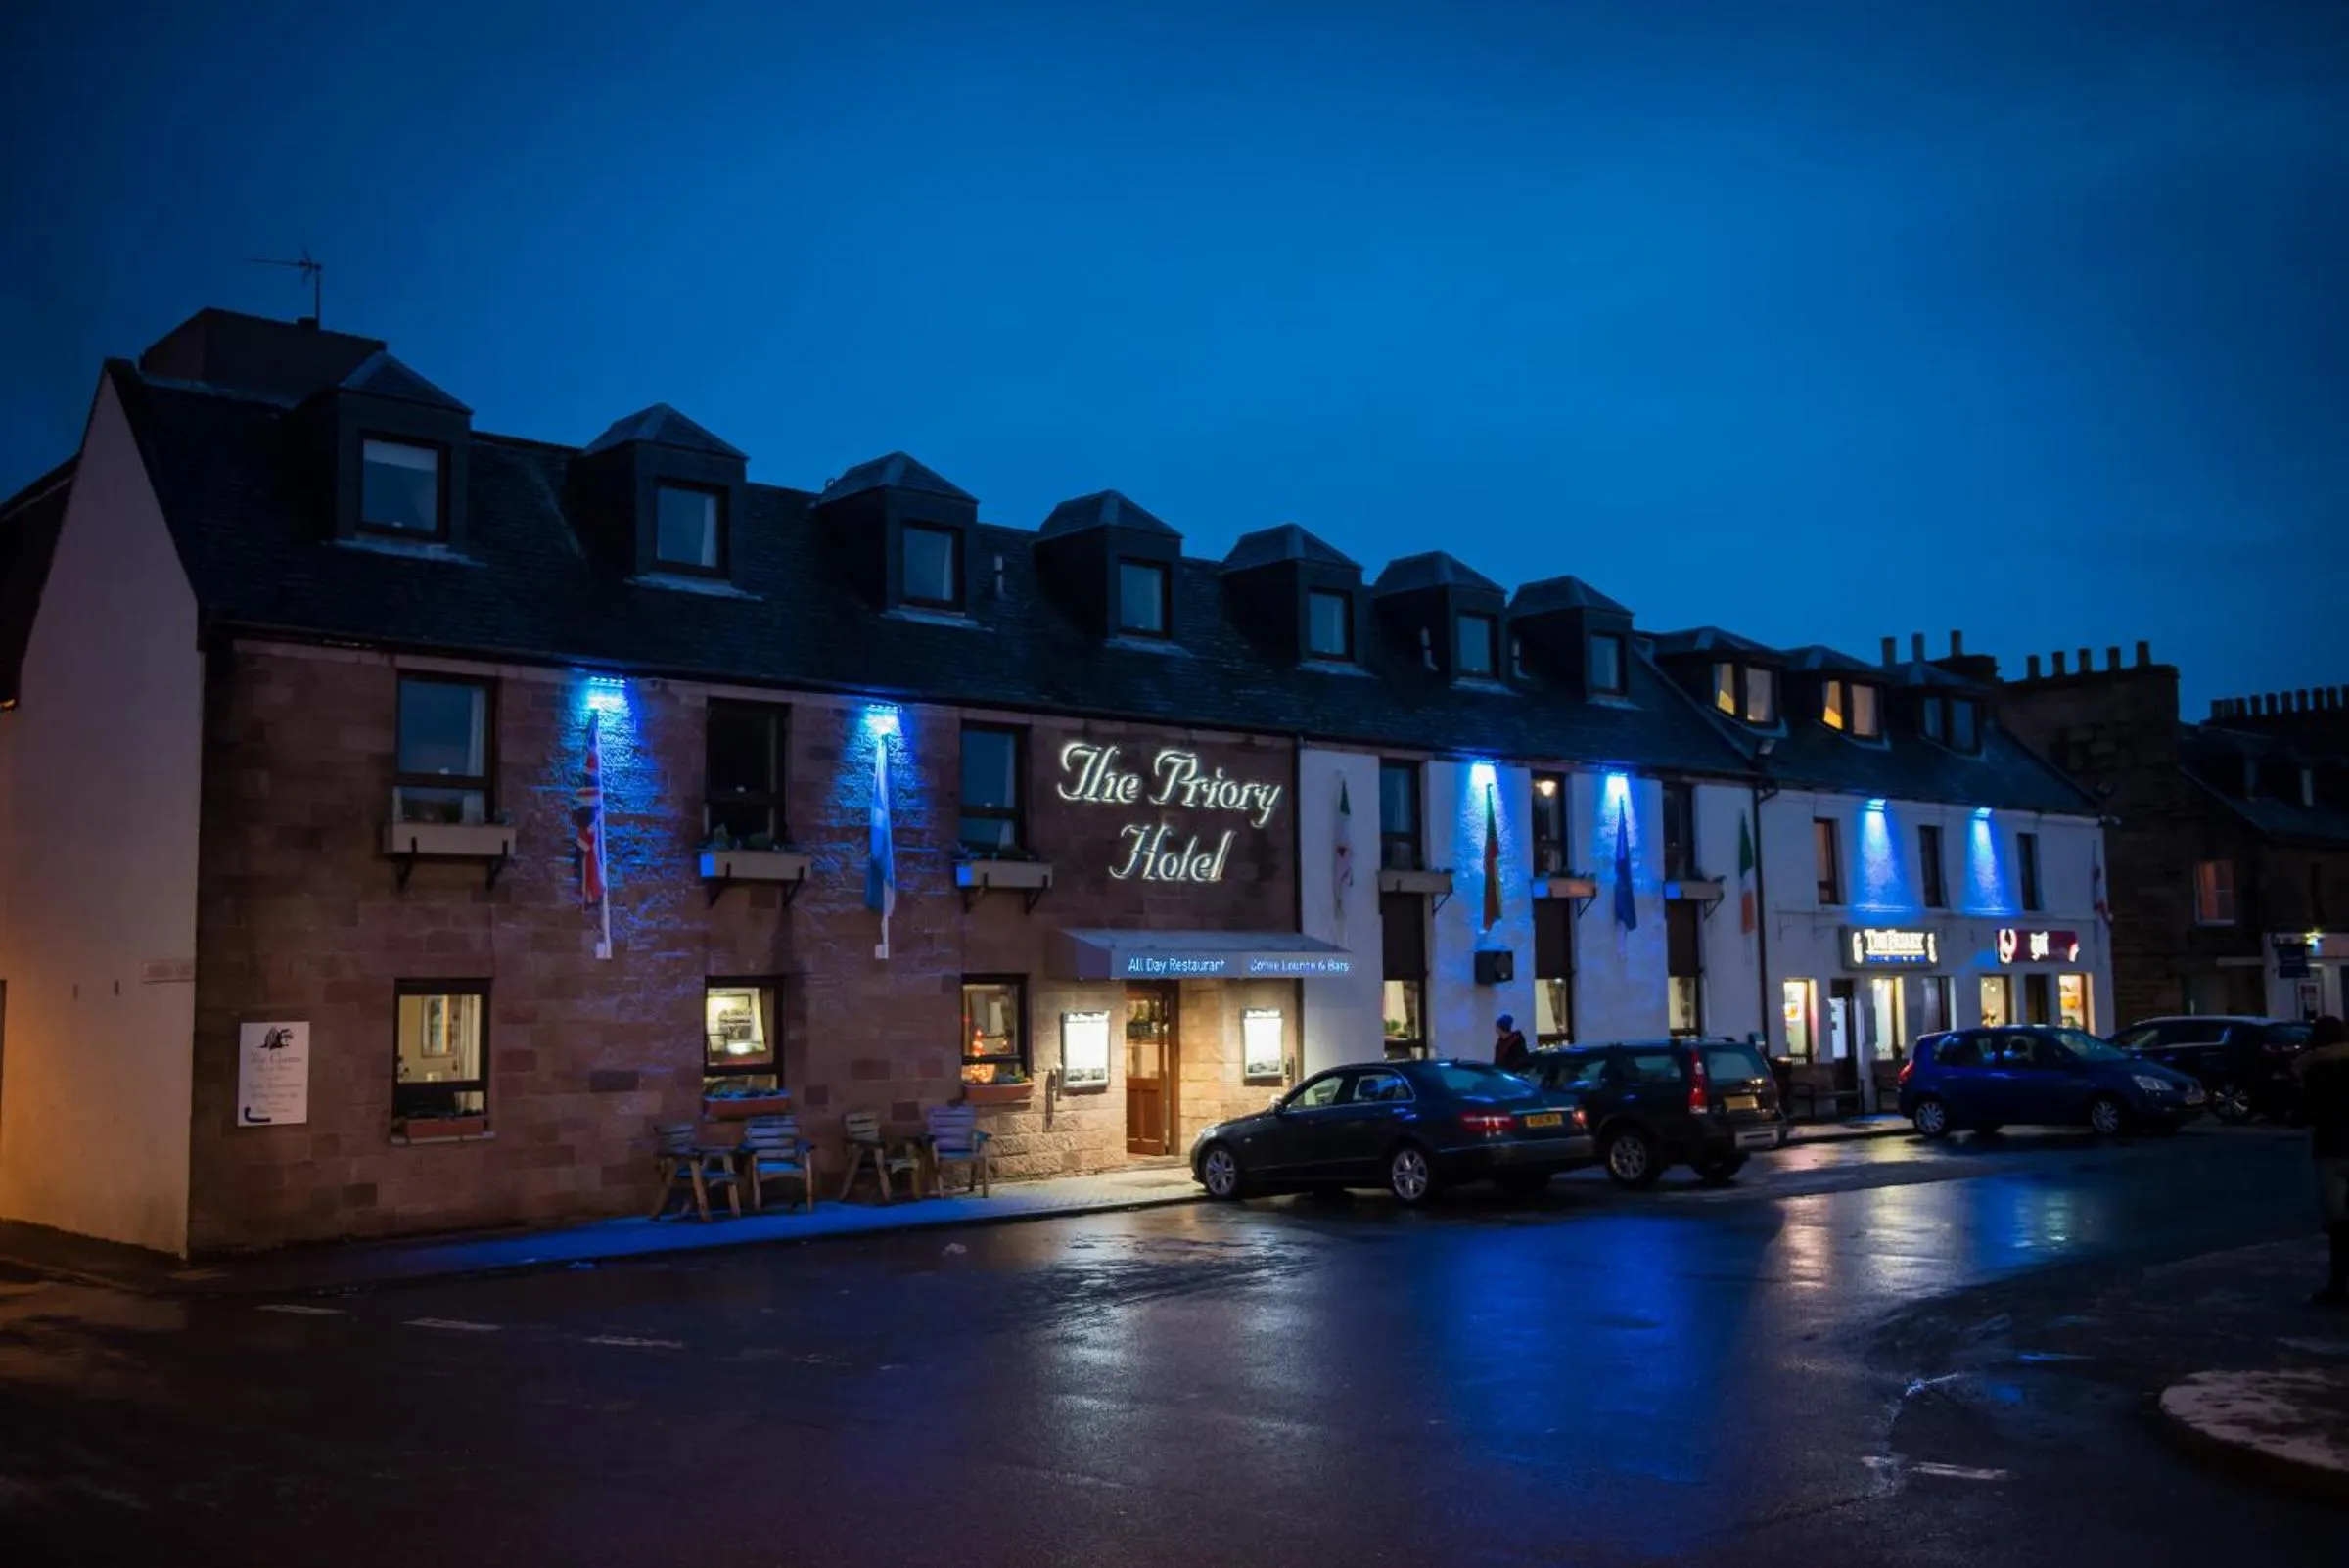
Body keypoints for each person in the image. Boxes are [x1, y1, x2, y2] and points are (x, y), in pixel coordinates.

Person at [2294, 1015, 2349, 1307]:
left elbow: (2306, 1113)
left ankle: (2339, 1285)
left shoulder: (2316, 1069)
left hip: (2331, 1150)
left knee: (2338, 1222)